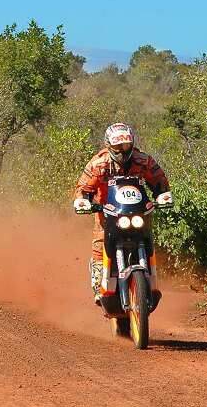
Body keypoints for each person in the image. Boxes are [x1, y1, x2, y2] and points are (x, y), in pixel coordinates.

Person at [72, 123, 172, 303]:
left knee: (148, 238)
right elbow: (83, 187)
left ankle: (151, 280)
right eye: (117, 147)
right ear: (108, 145)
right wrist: (83, 201)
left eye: (126, 146)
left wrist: (162, 195)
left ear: (132, 144)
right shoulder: (98, 163)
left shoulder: (144, 160)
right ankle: (99, 284)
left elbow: (159, 180)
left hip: (138, 211)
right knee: (99, 244)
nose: (122, 151)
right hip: (107, 212)